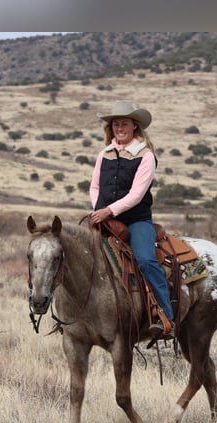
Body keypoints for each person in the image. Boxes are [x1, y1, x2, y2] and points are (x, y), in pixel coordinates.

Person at [88, 101, 174, 337]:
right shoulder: (104, 154)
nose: (119, 128)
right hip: (104, 216)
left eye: (124, 123)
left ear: (135, 126)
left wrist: (109, 211)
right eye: (116, 124)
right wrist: (98, 210)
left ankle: (166, 316)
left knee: (146, 260)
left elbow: (137, 195)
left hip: (136, 220)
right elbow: (94, 186)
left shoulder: (145, 156)